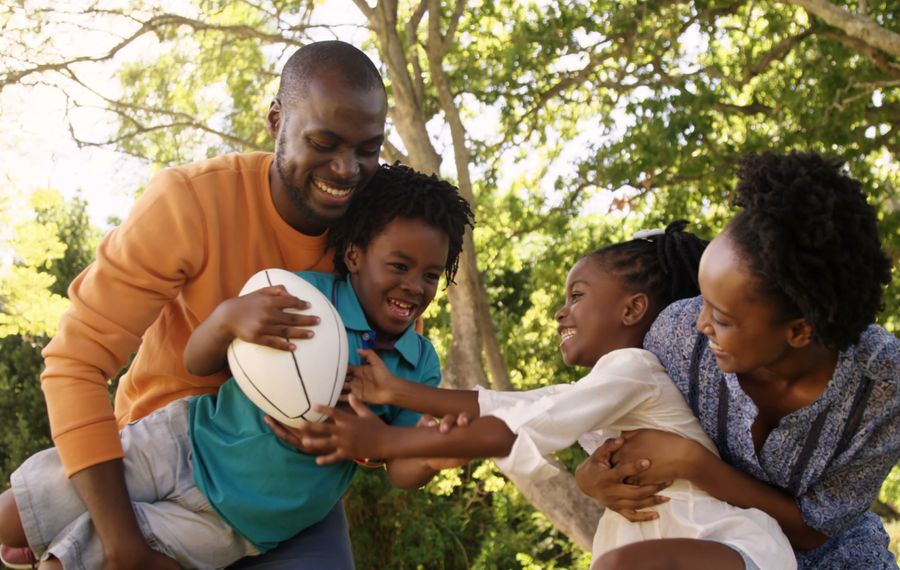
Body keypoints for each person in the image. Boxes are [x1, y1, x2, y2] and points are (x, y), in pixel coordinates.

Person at [1, 41, 391, 569]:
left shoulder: (374, 239)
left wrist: (353, 440)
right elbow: (74, 363)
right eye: (324, 142)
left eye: (368, 149)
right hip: (163, 447)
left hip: (280, 487)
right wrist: (124, 546)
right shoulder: (189, 203)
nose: (347, 169)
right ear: (277, 121)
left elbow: (387, 383)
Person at [0, 163, 475, 569]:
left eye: (431, 275)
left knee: (84, 561)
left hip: (237, 522)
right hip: (184, 442)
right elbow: (198, 360)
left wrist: (430, 453)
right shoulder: (302, 294)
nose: (415, 285)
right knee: (19, 511)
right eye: (399, 266)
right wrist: (226, 320)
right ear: (354, 255)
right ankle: (23, 533)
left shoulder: (419, 366)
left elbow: (398, 470)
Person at [296, 222, 797, 570]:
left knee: (621, 564)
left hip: (729, 548)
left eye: (577, 295)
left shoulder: (635, 371)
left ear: (633, 309)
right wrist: (395, 389)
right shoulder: (608, 386)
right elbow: (507, 404)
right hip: (674, 551)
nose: (560, 311)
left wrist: (388, 442)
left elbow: (523, 426)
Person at [573, 151, 900, 569]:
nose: (701, 323)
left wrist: (696, 464)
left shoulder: (890, 386)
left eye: (722, 318)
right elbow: (627, 437)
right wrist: (592, 479)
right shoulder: (676, 335)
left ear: (800, 330)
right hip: (715, 546)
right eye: (701, 301)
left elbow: (815, 529)